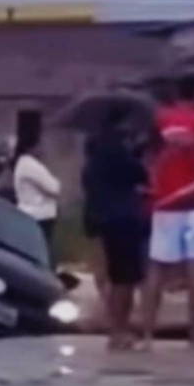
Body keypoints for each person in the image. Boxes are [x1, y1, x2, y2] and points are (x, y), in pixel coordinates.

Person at [142, 75, 194, 350]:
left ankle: (147, 335)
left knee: (156, 268)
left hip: (165, 201)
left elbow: (150, 157)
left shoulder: (159, 119)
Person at [82, 107, 149, 351]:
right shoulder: (117, 152)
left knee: (112, 276)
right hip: (123, 219)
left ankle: (116, 328)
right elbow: (139, 174)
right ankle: (119, 330)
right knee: (125, 278)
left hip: (101, 219)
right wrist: (138, 153)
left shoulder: (94, 156)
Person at [13, 133, 61, 254]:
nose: (42, 149)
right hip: (39, 214)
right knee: (41, 251)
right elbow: (53, 188)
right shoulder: (31, 165)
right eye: (39, 145)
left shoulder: (22, 163)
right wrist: (57, 182)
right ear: (31, 148)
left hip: (30, 213)